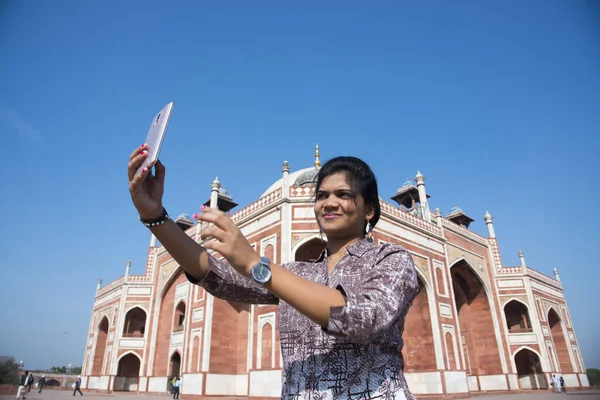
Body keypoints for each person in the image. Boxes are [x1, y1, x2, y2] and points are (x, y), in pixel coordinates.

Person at [127, 146, 420, 399]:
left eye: (343, 194)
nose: (329, 202)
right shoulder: (298, 273)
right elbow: (218, 276)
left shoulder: (392, 260)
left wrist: (258, 266)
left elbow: (361, 317)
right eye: (322, 195)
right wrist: (154, 216)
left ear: (369, 209)